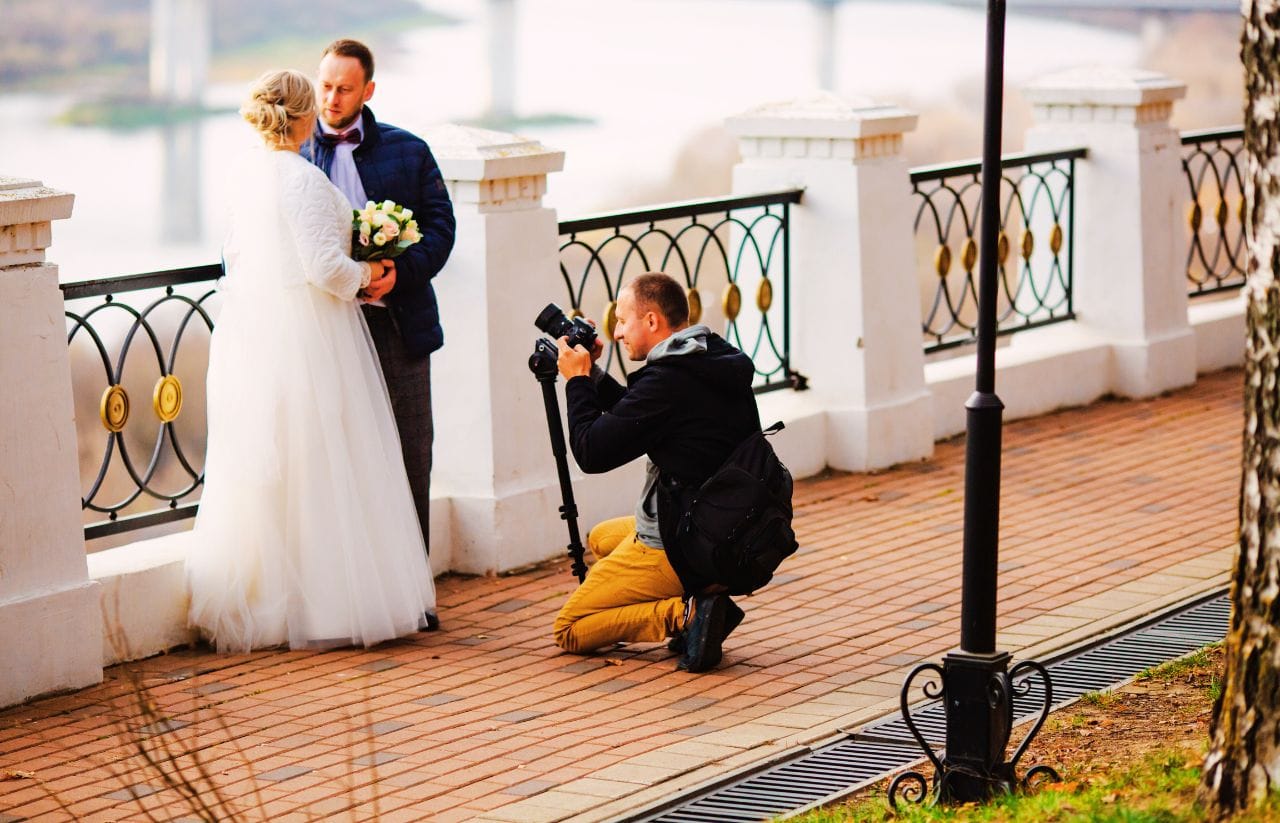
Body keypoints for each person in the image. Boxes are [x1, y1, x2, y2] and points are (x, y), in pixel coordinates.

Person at [183, 69, 436, 652]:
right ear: (300, 117)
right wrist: (371, 273)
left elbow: (238, 255)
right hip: (311, 335)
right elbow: (324, 269)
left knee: (278, 465)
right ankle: (325, 604)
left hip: (257, 332)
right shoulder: (301, 178)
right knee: (326, 461)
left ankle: (272, 600)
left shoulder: (246, 172)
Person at [303, 40, 455, 597]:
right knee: (338, 461)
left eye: (344, 88)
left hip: (399, 330)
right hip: (327, 336)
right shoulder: (294, 157)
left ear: (368, 91)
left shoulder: (409, 151)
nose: (331, 98)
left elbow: (441, 228)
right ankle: (350, 594)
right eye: (325, 85)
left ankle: (414, 594)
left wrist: (402, 272)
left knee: (412, 457)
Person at [551, 272, 762, 672]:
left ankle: (686, 614)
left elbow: (591, 452)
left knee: (570, 628)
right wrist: (594, 374)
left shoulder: (668, 382)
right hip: (725, 523)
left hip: (681, 538)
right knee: (599, 538)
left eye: (622, 320)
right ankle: (701, 594)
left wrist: (576, 382)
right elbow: (639, 415)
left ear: (651, 321)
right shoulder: (708, 355)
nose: (616, 334)